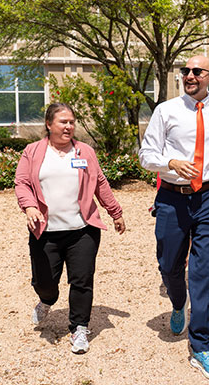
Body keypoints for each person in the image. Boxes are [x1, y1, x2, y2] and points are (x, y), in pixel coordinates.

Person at [139, 55, 209, 380]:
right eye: (186, 70)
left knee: (204, 271)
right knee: (169, 264)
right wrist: (170, 164)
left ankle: (201, 346)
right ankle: (177, 301)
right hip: (173, 199)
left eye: (197, 71)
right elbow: (146, 155)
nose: (189, 75)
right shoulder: (166, 111)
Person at [15, 102, 126, 354]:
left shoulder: (84, 151)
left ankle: (79, 327)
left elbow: (100, 183)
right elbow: (21, 183)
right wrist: (30, 206)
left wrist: (115, 212)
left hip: (82, 230)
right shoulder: (32, 152)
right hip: (45, 232)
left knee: (82, 279)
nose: (68, 126)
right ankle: (46, 300)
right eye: (63, 121)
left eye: (72, 122)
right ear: (48, 124)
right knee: (45, 281)